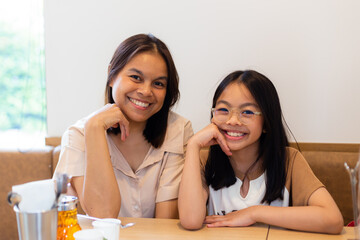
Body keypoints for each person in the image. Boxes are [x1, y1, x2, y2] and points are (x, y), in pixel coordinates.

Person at [178, 70, 343, 234]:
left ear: (266, 122)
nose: (232, 120)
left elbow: (332, 219)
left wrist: (253, 213)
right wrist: (193, 145)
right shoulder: (204, 160)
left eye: (247, 112)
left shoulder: (289, 160)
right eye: (223, 110)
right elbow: (191, 221)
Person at [54, 33, 193, 219]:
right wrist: (94, 128)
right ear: (111, 76)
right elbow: (102, 215)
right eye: (136, 77)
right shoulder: (78, 136)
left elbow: (166, 223)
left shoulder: (178, 130)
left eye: (158, 83)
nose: (145, 91)